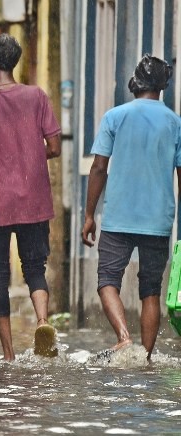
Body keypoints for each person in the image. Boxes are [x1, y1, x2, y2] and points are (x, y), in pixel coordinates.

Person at [0, 33, 62, 361]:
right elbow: (55, 147)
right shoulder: (37, 96)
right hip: (34, 198)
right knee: (34, 266)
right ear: (15, 61)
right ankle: (43, 321)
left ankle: (7, 353)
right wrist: (28, 155)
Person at [81, 55, 180, 360]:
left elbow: (99, 167)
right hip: (158, 218)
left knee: (107, 280)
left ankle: (124, 338)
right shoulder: (175, 123)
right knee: (150, 290)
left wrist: (89, 215)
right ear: (163, 86)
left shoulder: (114, 117)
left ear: (136, 82)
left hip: (119, 215)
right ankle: (146, 358)